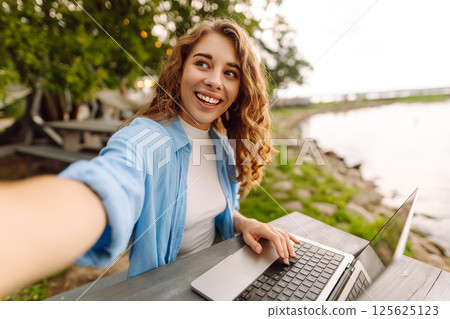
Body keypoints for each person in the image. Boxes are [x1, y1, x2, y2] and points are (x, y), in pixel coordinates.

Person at [0, 18, 299, 298]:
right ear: (181, 70)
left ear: (239, 89)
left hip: (212, 285)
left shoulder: (222, 147)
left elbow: (220, 211)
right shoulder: (147, 137)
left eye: (230, 73)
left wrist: (244, 222)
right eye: (202, 64)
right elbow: (112, 182)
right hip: (163, 296)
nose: (214, 80)